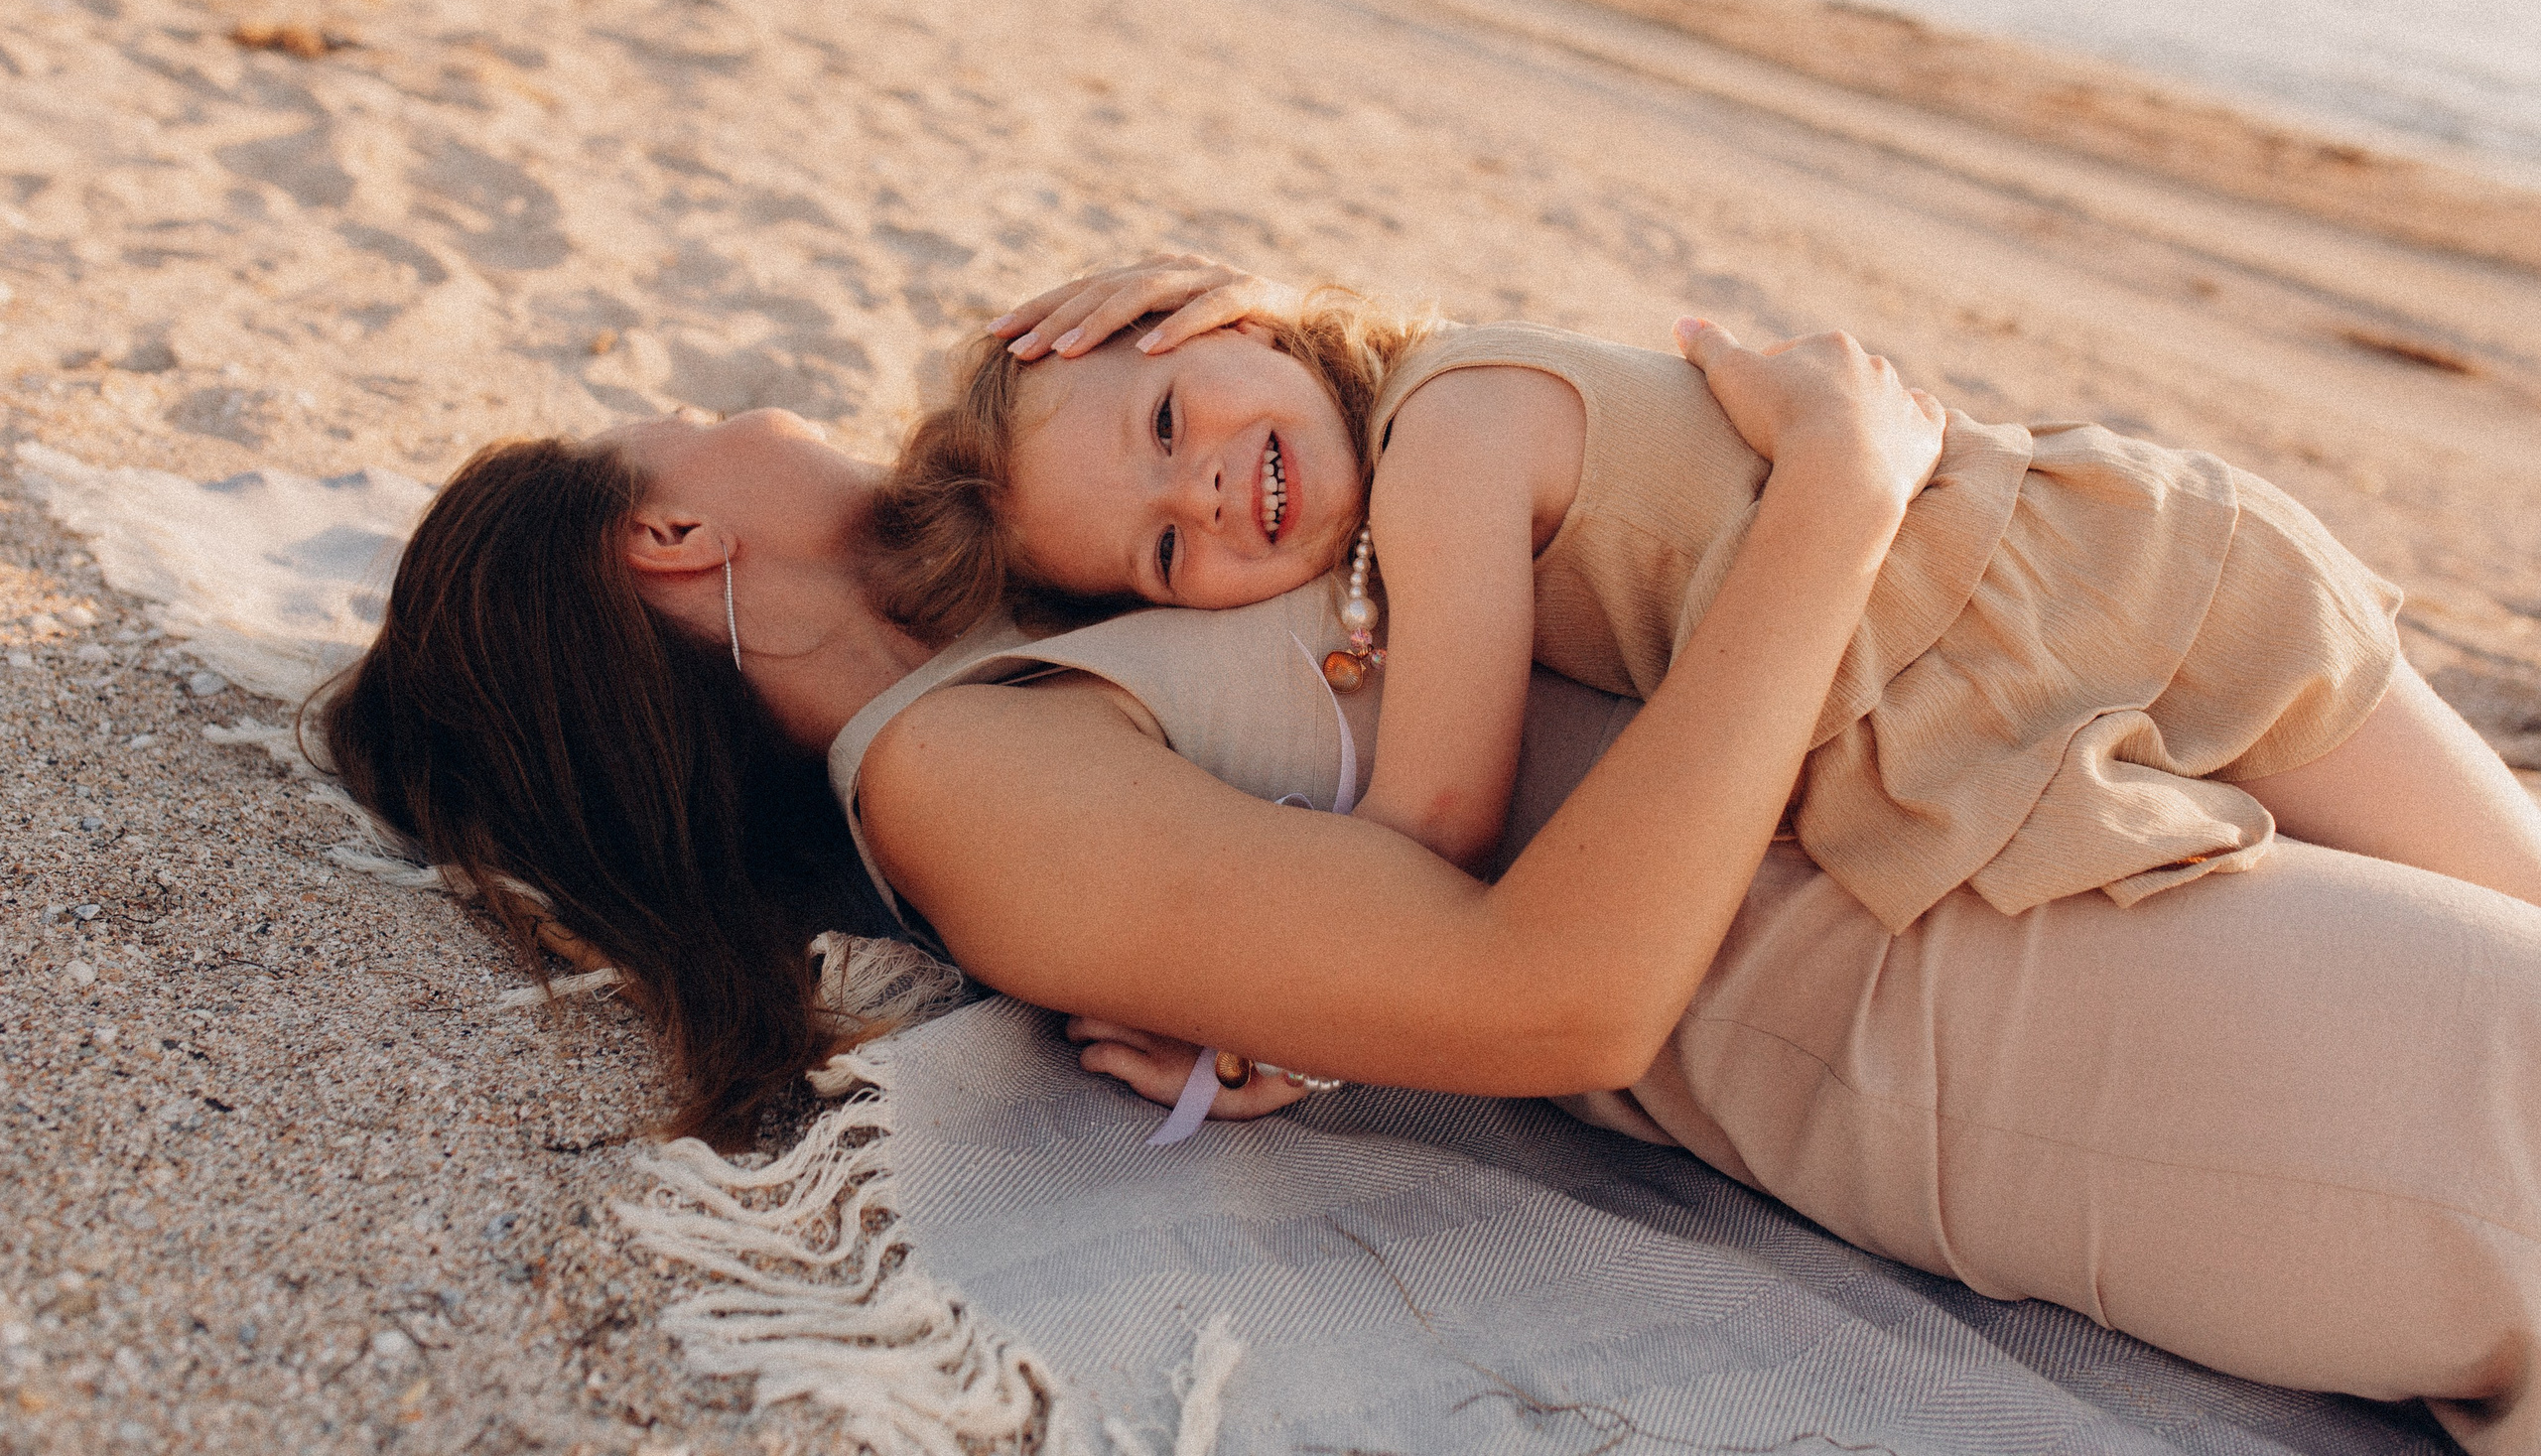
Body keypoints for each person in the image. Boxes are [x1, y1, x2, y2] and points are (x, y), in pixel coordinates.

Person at [316, 256, 2541, 1449]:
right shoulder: (959, 786)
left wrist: (1252, 309)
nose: (750, 399)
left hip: (2044, 789)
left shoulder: (1047, 606)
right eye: (689, 418)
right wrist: (1837, 497)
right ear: (669, 528)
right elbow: (1545, 998)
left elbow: (1404, 509)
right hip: (1984, 997)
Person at [869, 279, 2541, 934]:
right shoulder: (1394, 449)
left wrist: (1274, 1016)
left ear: (1225, 316)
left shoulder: (1447, 428)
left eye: (1174, 424)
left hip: (2147, 592)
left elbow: (1435, 817)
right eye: (1164, 552)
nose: (1213, 496)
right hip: (2024, 671)